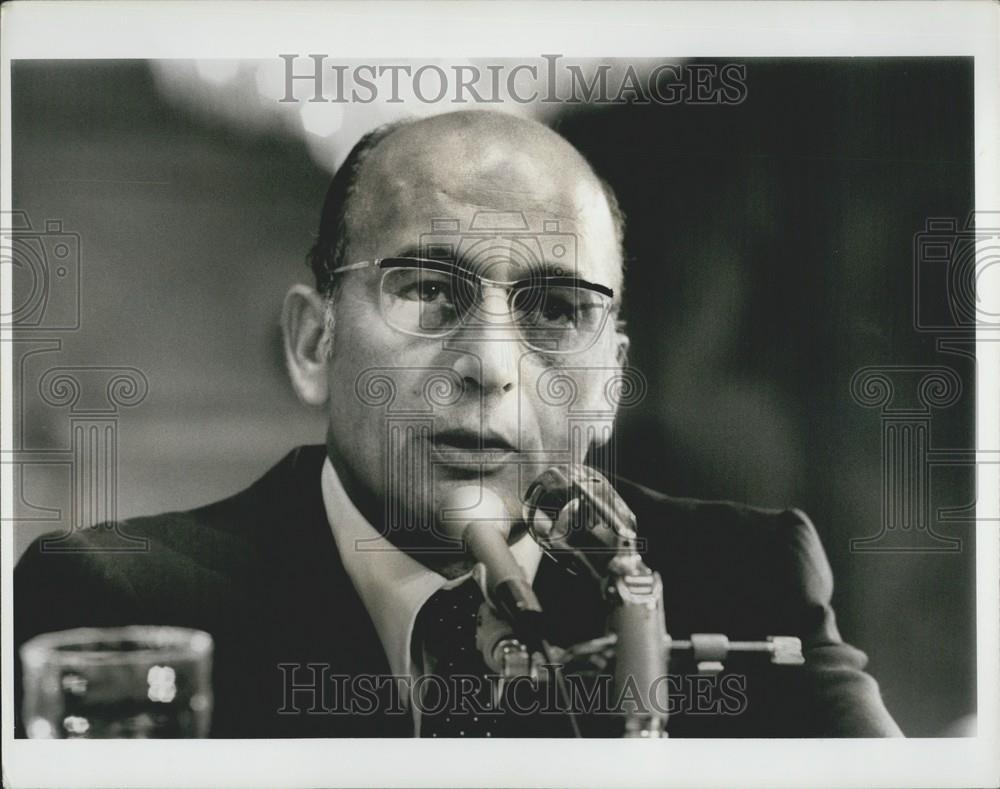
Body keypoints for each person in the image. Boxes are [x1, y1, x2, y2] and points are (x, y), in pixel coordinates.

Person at [14, 110, 902, 738]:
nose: (489, 365)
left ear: (609, 383)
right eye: (430, 290)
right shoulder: (117, 603)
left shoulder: (746, 580)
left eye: (556, 307)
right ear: (314, 340)